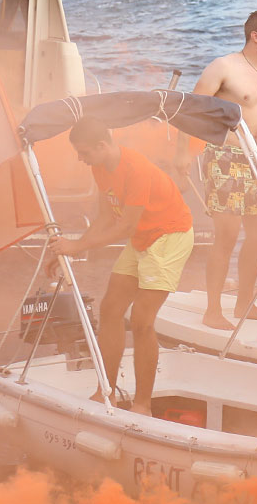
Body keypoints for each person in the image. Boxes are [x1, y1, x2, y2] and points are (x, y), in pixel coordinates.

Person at [51, 117, 194, 417]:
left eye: (84, 152)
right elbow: (106, 217)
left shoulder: (136, 169)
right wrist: (73, 247)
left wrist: (76, 246)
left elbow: (125, 226)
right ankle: (107, 391)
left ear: (102, 145)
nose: (80, 159)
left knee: (141, 321)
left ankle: (143, 405)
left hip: (169, 236)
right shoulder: (100, 167)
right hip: (142, 236)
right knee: (110, 309)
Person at [191, 9, 257, 329]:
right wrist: (180, 156)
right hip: (224, 157)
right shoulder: (223, 67)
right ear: (255, 36)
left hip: (255, 159)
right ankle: (212, 311)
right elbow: (190, 108)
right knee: (227, 236)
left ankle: (245, 303)